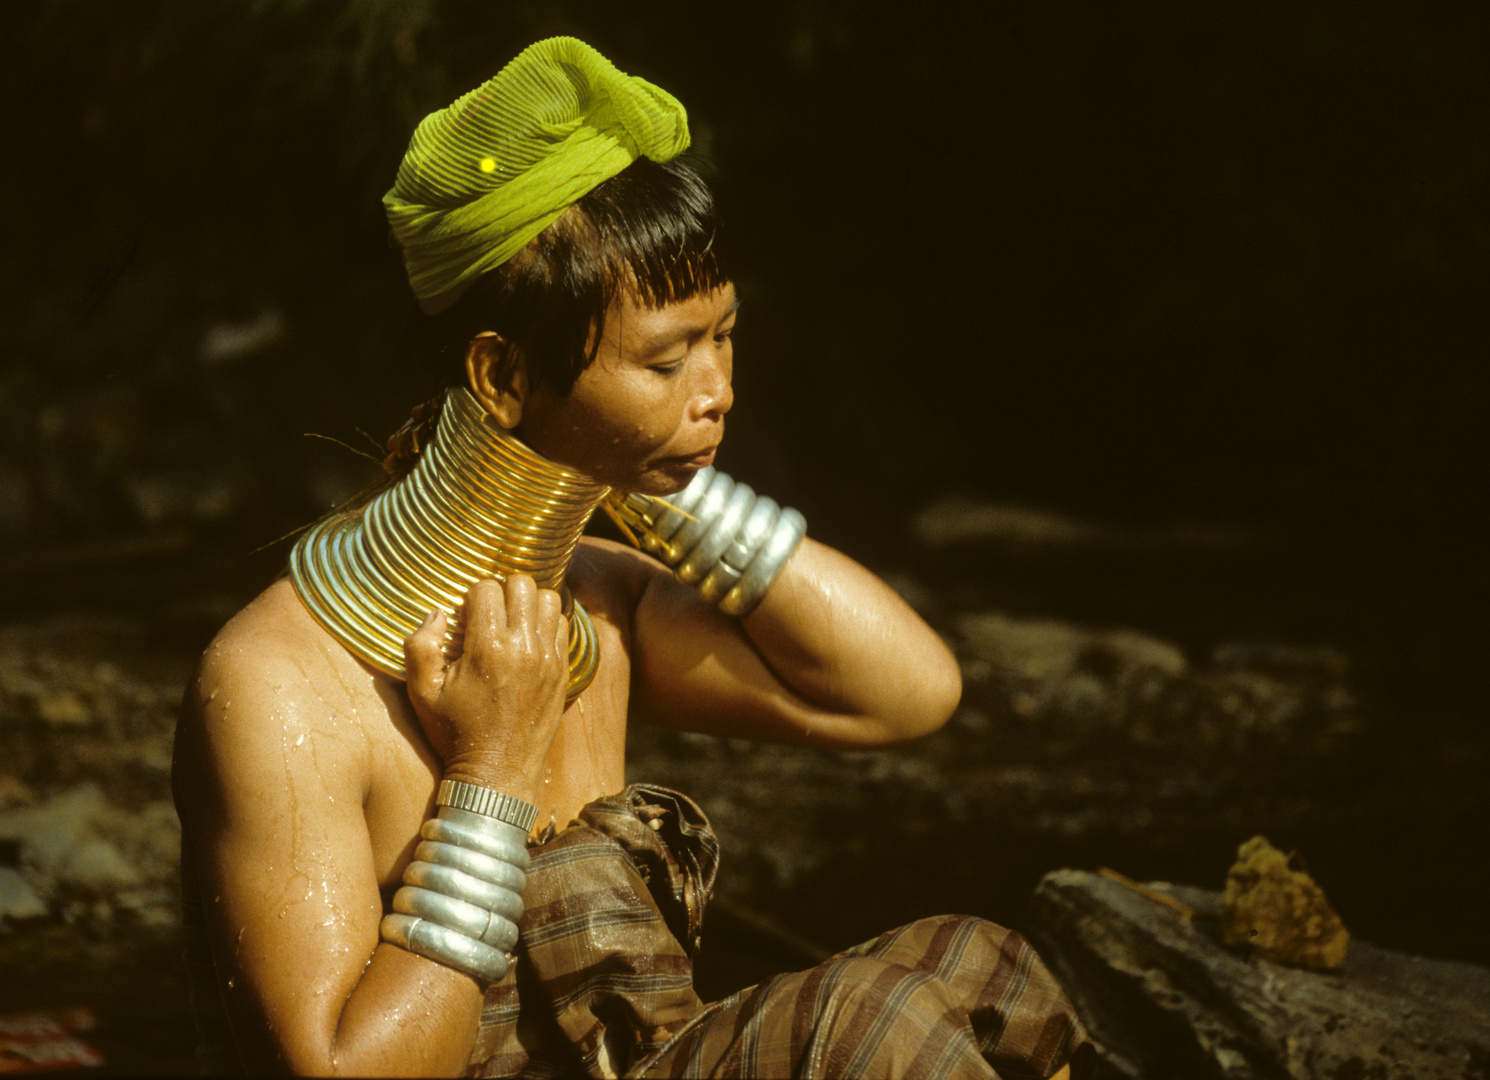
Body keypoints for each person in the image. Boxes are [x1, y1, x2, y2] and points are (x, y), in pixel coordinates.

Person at [172, 37, 1093, 1078]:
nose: (717, 390)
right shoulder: (279, 690)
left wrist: (650, 481)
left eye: (724, 336)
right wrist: (493, 769)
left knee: (981, 967)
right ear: (503, 374)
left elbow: (903, 693)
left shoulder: (595, 606)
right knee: (873, 1028)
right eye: (665, 359)